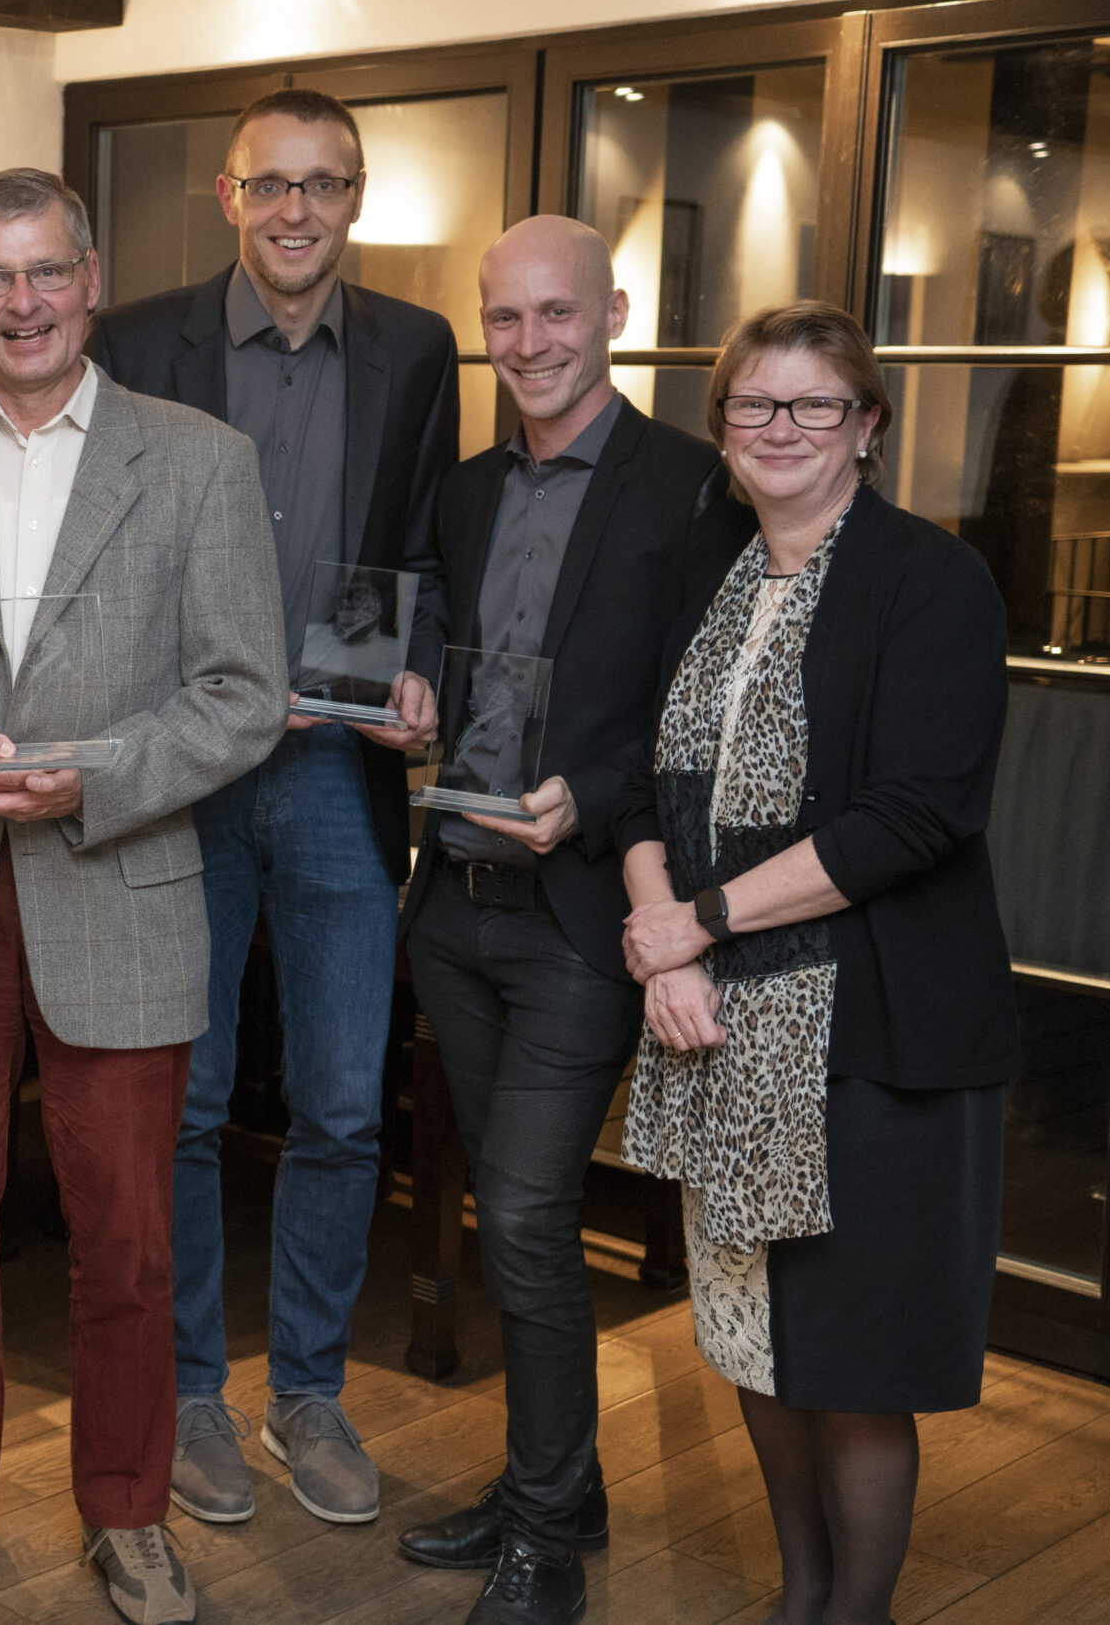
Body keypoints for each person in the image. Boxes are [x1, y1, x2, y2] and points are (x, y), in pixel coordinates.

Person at [0, 168, 286, 1625]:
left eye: (44, 273)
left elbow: (243, 697)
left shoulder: (201, 460)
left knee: (130, 1242)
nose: (20, 302)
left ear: (89, 279)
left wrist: (93, 772)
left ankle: (128, 1512)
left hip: (124, 892)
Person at [86, 87, 457, 1531]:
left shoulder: (419, 350)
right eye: (273, 185)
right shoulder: (140, 344)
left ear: (356, 198)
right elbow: (110, 557)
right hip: (189, 766)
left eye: (328, 184)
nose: (300, 210)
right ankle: (187, 1395)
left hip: (335, 776)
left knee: (347, 1101)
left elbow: (425, 546)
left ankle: (308, 1390)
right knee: (178, 1099)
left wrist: (421, 672)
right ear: (230, 197)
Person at [616, 301, 1014, 1625]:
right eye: (752, 406)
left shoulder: (929, 580)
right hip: (719, 1032)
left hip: (870, 1039)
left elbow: (914, 815)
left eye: (813, 406)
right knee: (755, 1343)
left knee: (850, 1360)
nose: (779, 429)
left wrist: (702, 923)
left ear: (869, 429)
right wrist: (660, 940)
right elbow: (641, 785)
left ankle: (856, 1614)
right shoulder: (710, 576)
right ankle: (800, 1597)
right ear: (724, 431)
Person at [390, 217, 753, 1625]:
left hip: (581, 912)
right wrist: (411, 685)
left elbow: (697, 715)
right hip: (454, 905)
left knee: (532, 1218)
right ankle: (562, 1482)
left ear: (611, 310)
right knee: (505, 1208)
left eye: (557, 314)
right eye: (506, 319)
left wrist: (585, 803)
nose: (530, 343)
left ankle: (546, 1530)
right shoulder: (471, 489)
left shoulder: (690, 490)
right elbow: (443, 640)